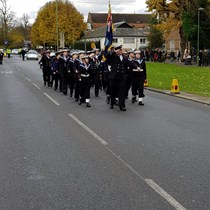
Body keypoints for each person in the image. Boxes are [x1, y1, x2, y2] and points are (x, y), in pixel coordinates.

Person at [105, 45, 127, 111]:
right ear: (117, 51)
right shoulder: (113, 56)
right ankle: (112, 103)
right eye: (120, 50)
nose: (121, 51)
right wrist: (114, 52)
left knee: (122, 92)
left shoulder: (124, 57)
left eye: (121, 50)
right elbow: (106, 56)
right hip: (114, 77)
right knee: (113, 91)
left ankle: (122, 105)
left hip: (122, 77)